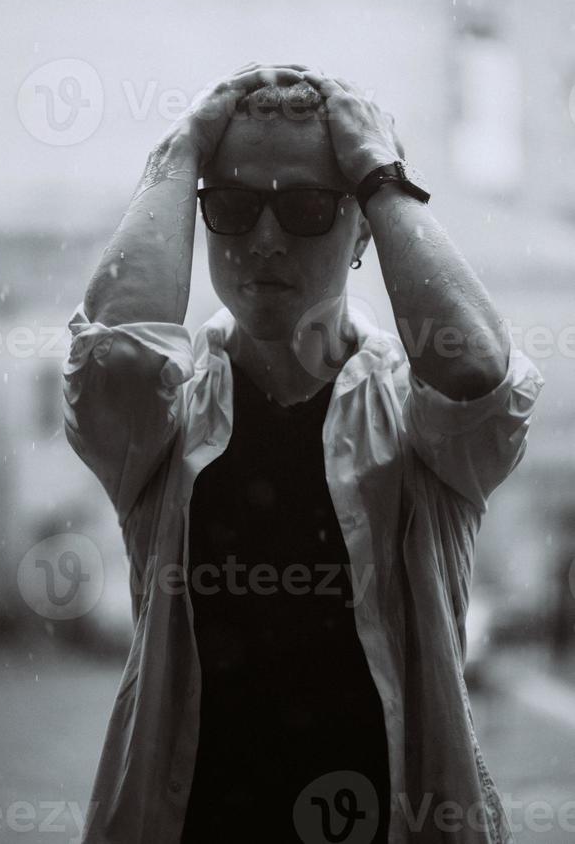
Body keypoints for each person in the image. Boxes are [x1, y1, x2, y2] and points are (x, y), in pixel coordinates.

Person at [62, 62, 544, 844]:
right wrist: (180, 149)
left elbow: (479, 375)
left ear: (362, 230)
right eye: (233, 205)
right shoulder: (169, 413)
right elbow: (112, 361)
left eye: (308, 207)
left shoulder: (412, 413)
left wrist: (382, 180)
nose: (265, 239)